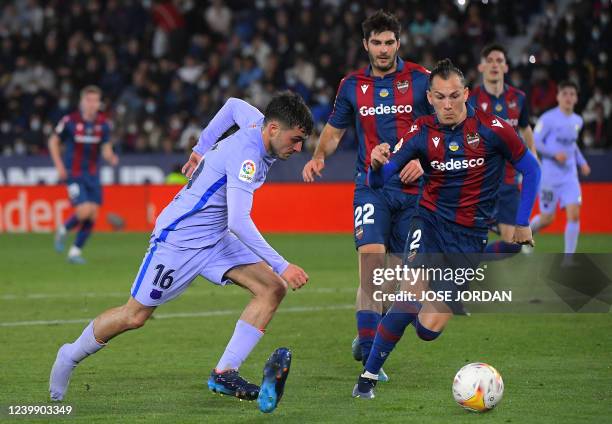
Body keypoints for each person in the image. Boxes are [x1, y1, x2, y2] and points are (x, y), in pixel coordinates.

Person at [49, 92, 313, 414]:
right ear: (273, 128)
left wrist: (200, 149)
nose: (298, 148)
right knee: (135, 316)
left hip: (214, 237)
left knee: (272, 288)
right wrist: (282, 264)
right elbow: (240, 221)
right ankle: (70, 354)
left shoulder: (256, 122)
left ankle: (223, 373)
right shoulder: (248, 156)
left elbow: (231, 105)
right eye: (295, 139)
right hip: (179, 240)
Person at [352, 59, 540, 398]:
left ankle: (396, 315)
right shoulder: (420, 131)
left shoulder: (493, 129)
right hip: (429, 222)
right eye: (440, 97)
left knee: (428, 330)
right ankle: (367, 377)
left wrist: (523, 221)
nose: (448, 104)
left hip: (470, 236)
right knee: (410, 296)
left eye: (454, 96)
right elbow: (380, 179)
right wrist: (376, 165)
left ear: (467, 93)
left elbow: (532, 169)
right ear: (431, 98)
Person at [301, 10, 431, 378]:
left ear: (399, 42)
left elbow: (443, 128)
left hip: (414, 189)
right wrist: (318, 156)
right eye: (377, 42)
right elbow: (335, 130)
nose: (384, 49)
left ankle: (370, 335)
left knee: (407, 279)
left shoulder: (422, 80)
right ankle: (371, 350)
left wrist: (426, 161)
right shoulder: (352, 85)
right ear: (365, 45)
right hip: (371, 186)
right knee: (372, 265)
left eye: (389, 41)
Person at [468, 43, 537, 259]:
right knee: (467, 234)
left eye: (499, 61)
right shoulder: (471, 99)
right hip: (481, 178)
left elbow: (525, 128)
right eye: (489, 61)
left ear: (506, 67)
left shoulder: (519, 98)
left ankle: (469, 261)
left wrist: (533, 156)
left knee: (513, 245)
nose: (494, 65)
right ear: (481, 67)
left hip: (508, 180)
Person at [49, 85, 118, 264]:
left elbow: (105, 148)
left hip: (93, 174)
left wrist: (110, 156)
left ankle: (74, 252)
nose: (92, 104)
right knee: (84, 210)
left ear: (99, 103)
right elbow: (53, 141)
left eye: (95, 100)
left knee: (93, 214)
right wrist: (59, 166)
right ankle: (63, 229)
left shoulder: (103, 124)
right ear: (82, 102)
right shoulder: (70, 120)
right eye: (88, 100)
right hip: (74, 172)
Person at [529, 81, 590, 254]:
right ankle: (527, 235)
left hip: (570, 177)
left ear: (576, 98)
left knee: (574, 214)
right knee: (548, 218)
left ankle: (568, 259)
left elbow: (573, 145)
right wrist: (554, 154)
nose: (568, 97)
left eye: (572, 94)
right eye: (565, 94)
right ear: (558, 97)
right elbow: (536, 141)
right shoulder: (548, 119)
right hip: (550, 177)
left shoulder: (578, 120)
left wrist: (582, 162)